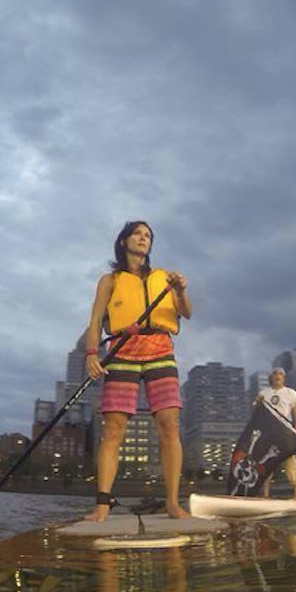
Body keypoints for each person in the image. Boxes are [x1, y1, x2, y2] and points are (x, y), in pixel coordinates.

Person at [85, 220, 192, 522]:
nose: (144, 239)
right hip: (123, 351)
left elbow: (186, 312)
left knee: (169, 423)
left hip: (160, 348)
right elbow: (94, 322)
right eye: (138, 234)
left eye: (148, 236)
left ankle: (173, 502)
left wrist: (181, 291)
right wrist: (92, 353)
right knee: (114, 429)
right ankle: (102, 506)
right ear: (124, 241)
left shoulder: (165, 278)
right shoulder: (109, 280)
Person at [257, 367, 296, 500]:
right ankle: (265, 495)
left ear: (284, 378)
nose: (277, 376)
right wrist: (258, 404)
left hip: (285, 431)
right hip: (268, 432)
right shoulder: (264, 393)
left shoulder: (290, 392)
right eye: (275, 374)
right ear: (271, 377)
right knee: (266, 462)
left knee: (290, 462)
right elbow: (256, 411)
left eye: (280, 374)